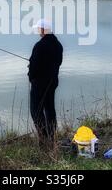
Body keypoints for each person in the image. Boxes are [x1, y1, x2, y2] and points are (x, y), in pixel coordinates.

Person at [28, 19, 63, 147]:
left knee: (35, 111)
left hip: (39, 84)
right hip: (52, 83)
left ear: (43, 30)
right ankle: (52, 136)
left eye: (39, 29)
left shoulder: (40, 45)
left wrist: (31, 77)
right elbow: (58, 62)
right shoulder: (58, 45)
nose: (38, 31)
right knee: (49, 109)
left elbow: (34, 68)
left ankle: (43, 139)